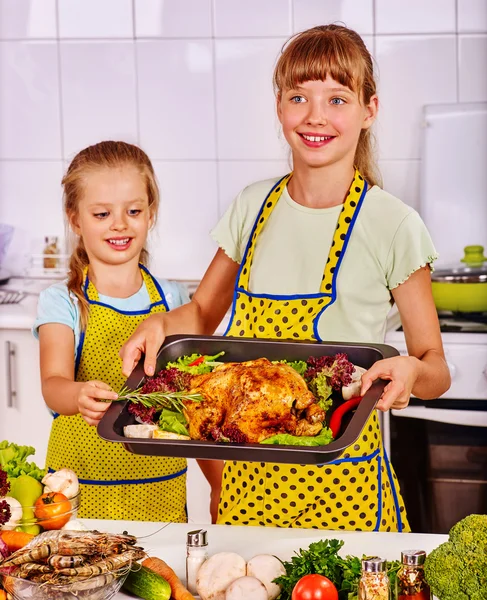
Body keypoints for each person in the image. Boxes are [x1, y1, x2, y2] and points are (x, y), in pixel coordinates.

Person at [120, 25, 451, 531]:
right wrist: (160, 323)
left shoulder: (393, 225)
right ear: (279, 107)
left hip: (345, 488)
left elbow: (436, 367)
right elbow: (203, 314)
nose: (316, 116)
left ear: (369, 110)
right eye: (299, 97)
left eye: (337, 98)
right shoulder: (252, 207)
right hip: (248, 485)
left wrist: (408, 370)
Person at [33, 140, 222, 522]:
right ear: (75, 219)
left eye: (133, 210)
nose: (119, 224)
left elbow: (192, 401)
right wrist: (79, 395)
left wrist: (219, 485)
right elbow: (53, 385)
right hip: (79, 491)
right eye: (102, 214)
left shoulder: (172, 299)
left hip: (159, 487)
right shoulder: (63, 301)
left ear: (150, 214)